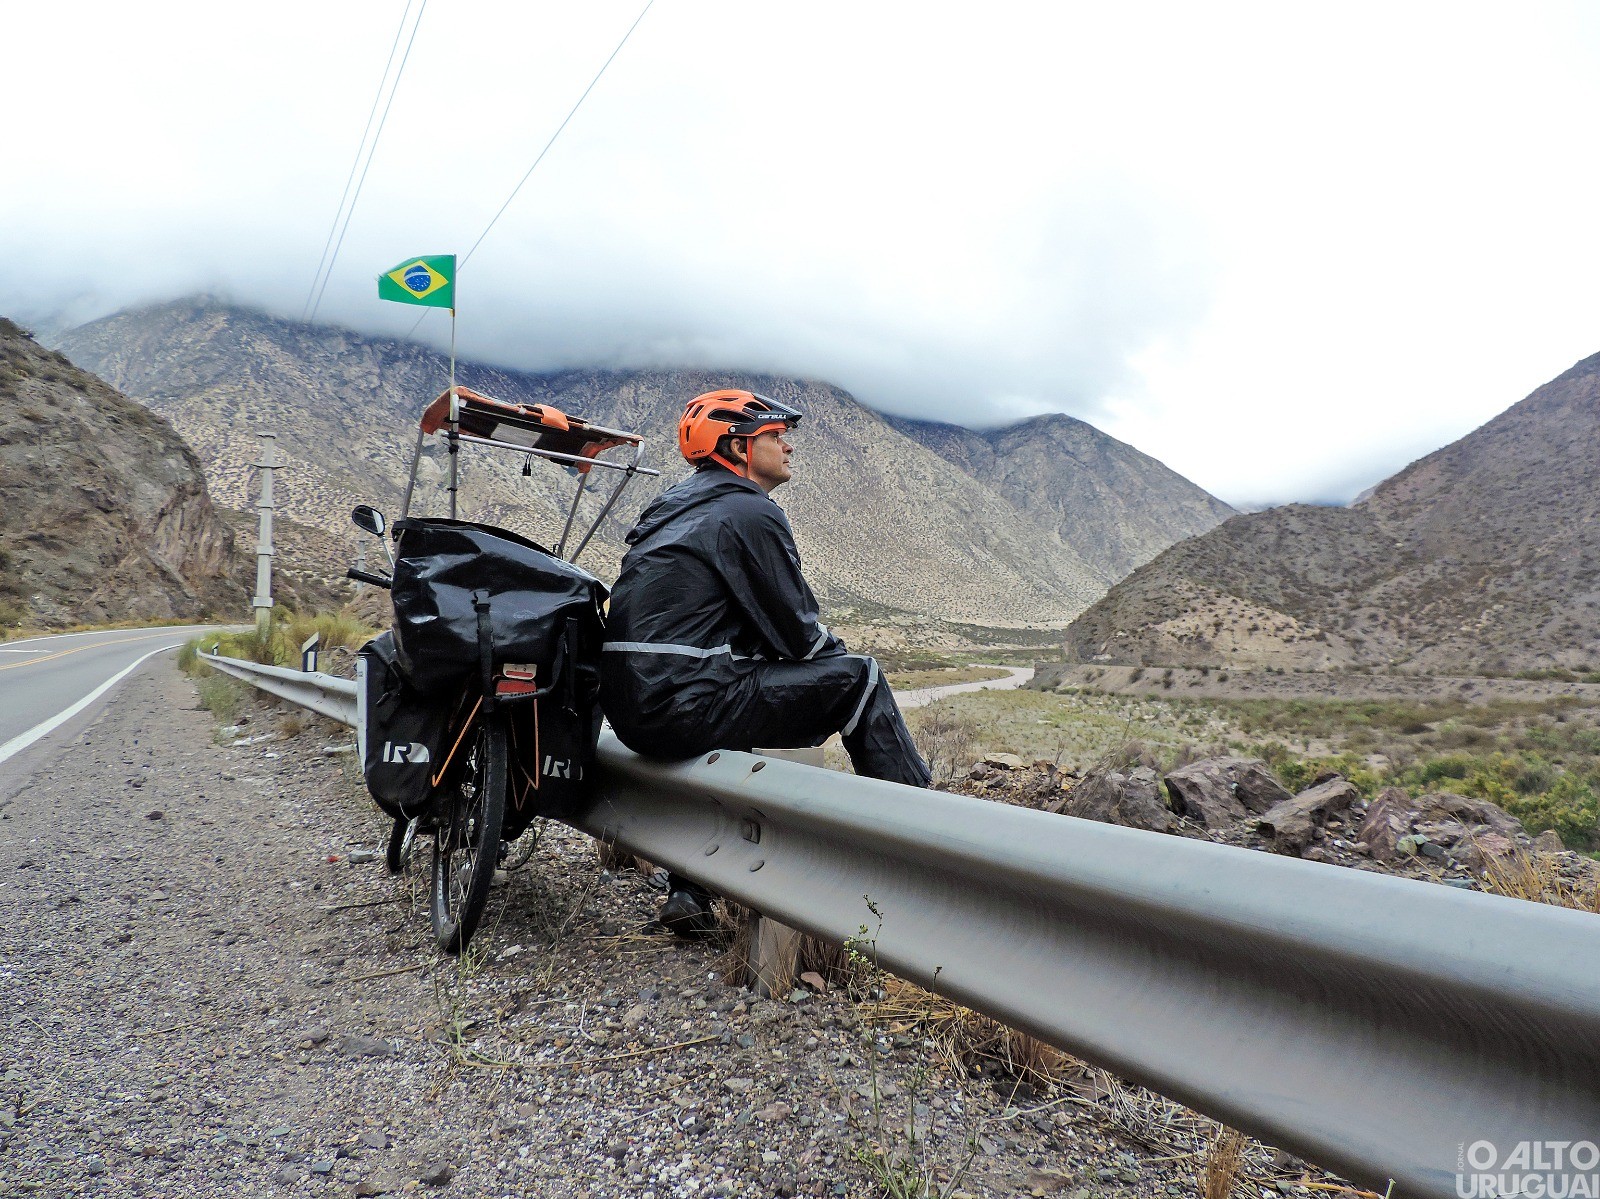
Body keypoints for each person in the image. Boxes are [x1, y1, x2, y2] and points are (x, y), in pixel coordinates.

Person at [601, 388, 932, 935]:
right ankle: (928, 841)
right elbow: (798, 636)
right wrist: (836, 664)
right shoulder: (749, 512)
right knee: (861, 680)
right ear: (736, 447)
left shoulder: (671, 509)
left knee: (738, 700)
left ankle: (691, 888)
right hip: (684, 702)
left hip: (635, 710)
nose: (788, 447)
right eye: (775, 437)